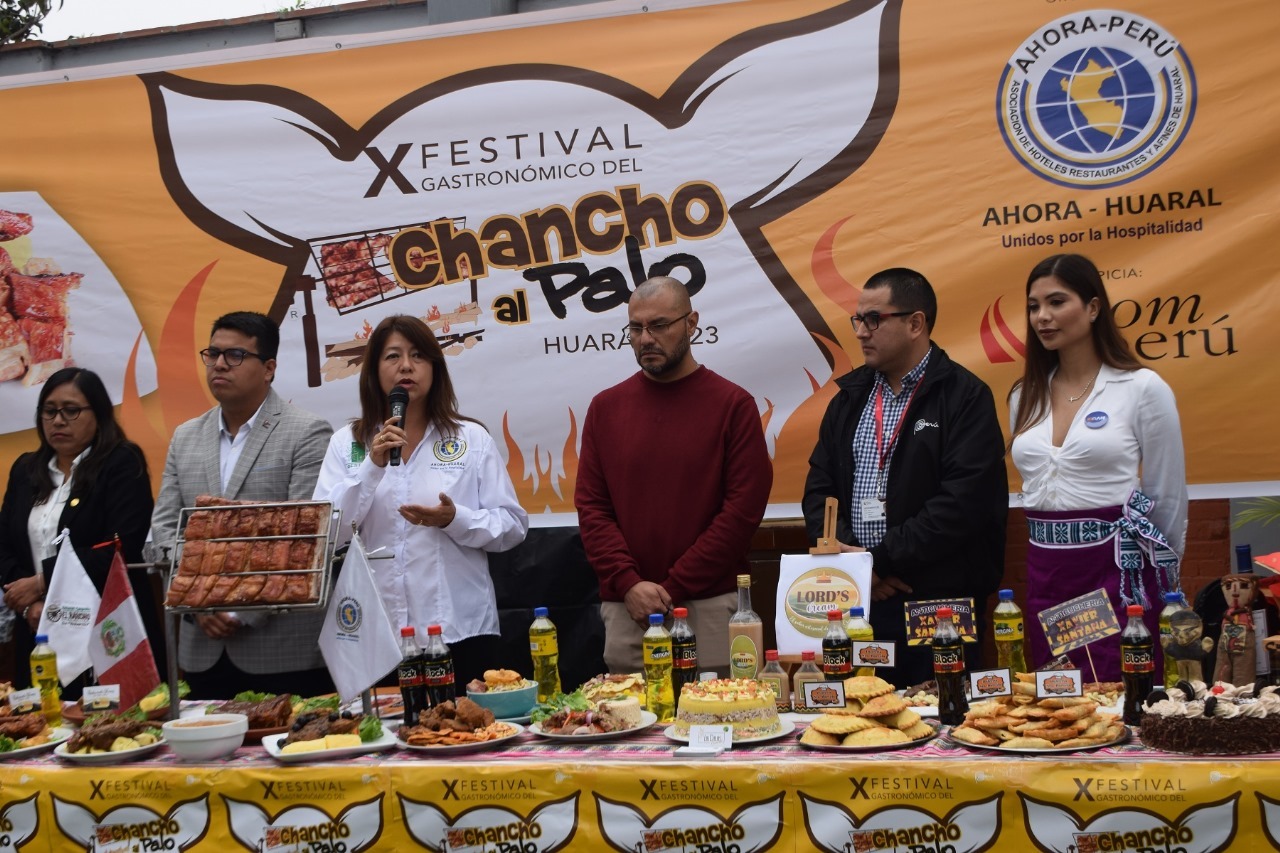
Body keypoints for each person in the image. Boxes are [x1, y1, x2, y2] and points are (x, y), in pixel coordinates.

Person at [803, 268, 1009, 686]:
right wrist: (857, 566)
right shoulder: (849, 398)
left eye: (874, 319)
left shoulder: (965, 397)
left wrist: (877, 559)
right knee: (862, 723)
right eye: (857, 319)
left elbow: (960, 506)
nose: (861, 331)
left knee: (942, 725)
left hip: (939, 604)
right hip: (861, 602)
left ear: (916, 323)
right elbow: (818, 490)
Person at [313, 315, 527, 691]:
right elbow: (325, 531)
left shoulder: (470, 439)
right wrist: (371, 468)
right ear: (374, 370)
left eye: (418, 356)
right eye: (392, 356)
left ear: (435, 367)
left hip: (459, 628)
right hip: (378, 633)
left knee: (464, 737)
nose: (406, 366)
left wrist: (454, 518)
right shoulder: (347, 443)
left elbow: (511, 527)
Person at [575, 277, 773, 674]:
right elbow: (592, 508)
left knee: (722, 723)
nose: (646, 338)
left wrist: (672, 588)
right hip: (627, 609)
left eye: (660, 325)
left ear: (691, 323)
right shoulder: (605, 408)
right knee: (629, 727)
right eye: (636, 328)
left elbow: (742, 513)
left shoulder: (732, 405)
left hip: (710, 607)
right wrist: (628, 583)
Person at [1009, 253, 1187, 680]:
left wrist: (1163, 578)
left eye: (1056, 302)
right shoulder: (1023, 394)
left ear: (1092, 307)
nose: (1043, 317)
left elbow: (1168, 496)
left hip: (1116, 568)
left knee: (1125, 691)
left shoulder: (1141, 388)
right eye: (1034, 306)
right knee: (1060, 699)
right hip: (1046, 569)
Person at [151, 311, 334, 699]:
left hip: (282, 651)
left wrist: (238, 610)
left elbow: (305, 538)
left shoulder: (307, 432)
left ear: (268, 368)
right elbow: (164, 532)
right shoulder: (185, 437)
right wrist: (199, 605)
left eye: (235, 355)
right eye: (212, 353)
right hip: (202, 649)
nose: (219, 363)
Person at [0, 367, 163, 692]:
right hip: (37, 631)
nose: (58, 421)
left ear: (99, 414)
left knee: (114, 733)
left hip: (106, 633)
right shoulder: (25, 470)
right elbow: (4, 546)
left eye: (71, 410)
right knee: (42, 730)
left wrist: (43, 582)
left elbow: (121, 547)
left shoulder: (121, 463)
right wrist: (30, 603)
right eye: (49, 411)